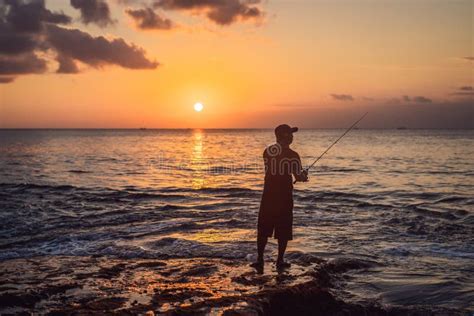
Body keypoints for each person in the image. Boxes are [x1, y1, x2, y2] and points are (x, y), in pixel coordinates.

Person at [251, 124, 308, 271]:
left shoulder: (268, 151)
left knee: (263, 227)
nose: (292, 136)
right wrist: (303, 176)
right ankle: (280, 261)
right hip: (284, 196)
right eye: (290, 134)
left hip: (268, 195)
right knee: (284, 227)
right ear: (283, 135)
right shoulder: (294, 155)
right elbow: (298, 176)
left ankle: (260, 260)